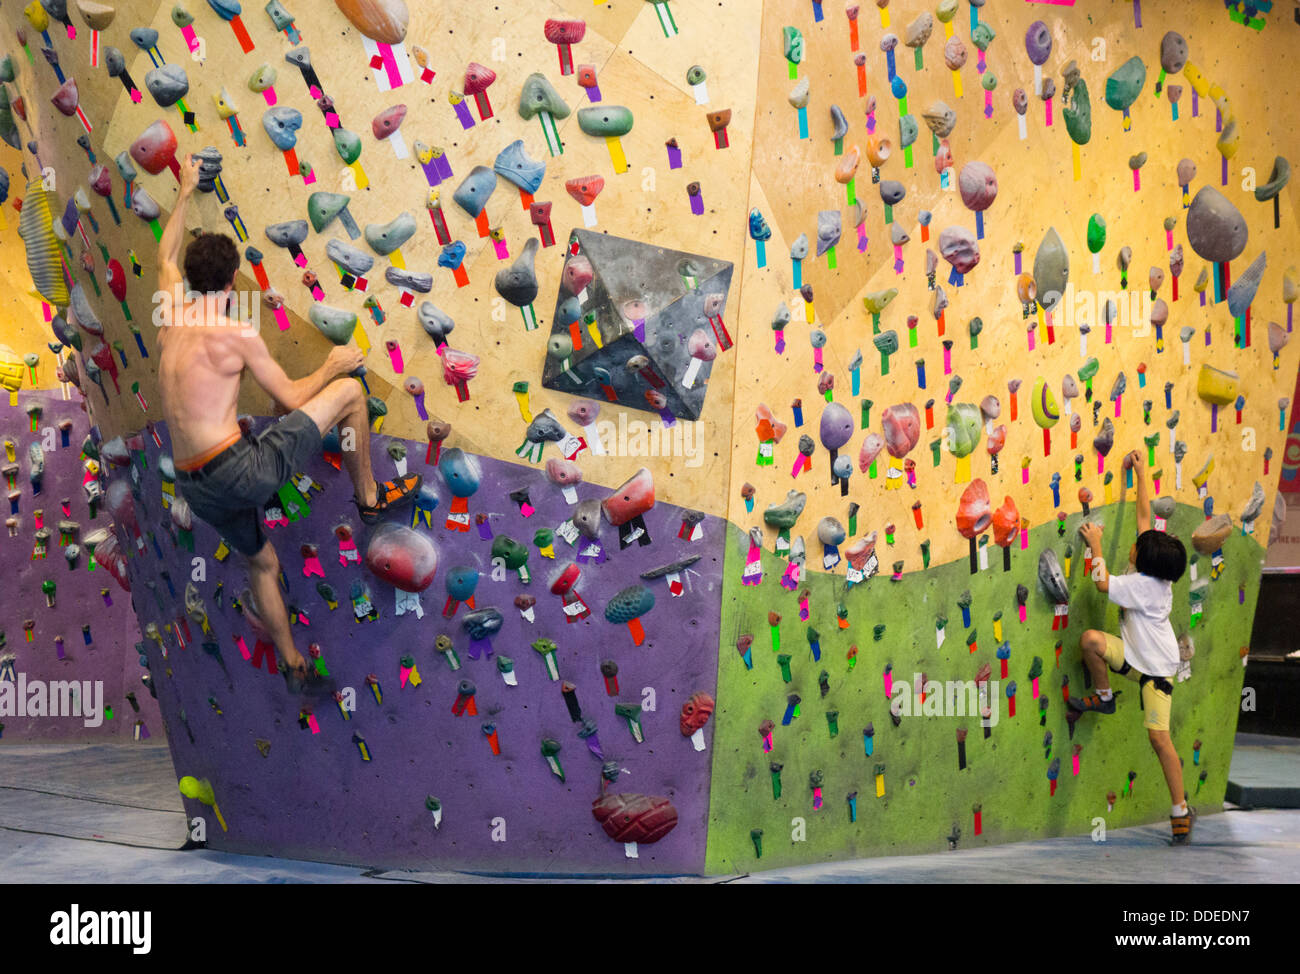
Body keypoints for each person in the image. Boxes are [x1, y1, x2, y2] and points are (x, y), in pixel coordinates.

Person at [155, 154, 420, 682]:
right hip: (238, 470)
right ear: (232, 283)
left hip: (195, 486)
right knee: (346, 392)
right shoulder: (237, 333)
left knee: (263, 564)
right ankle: (370, 499)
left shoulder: (168, 320)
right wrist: (333, 363)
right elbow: (294, 398)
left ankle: (295, 665)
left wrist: (185, 193)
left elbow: (165, 257)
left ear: (189, 282)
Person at [1071, 449, 1193, 844]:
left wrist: (1096, 543)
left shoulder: (1144, 586)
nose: (1135, 545)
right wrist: (1141, 474)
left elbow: (1103, 584)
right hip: (1134, 656)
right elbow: (1145, 518)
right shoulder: (1152, 570)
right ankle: (1105, 696)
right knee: (1090, 641)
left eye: (1138, 548)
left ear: (1144, 564)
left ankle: (1180, 811)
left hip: (1155, 671)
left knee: (1159, 739)